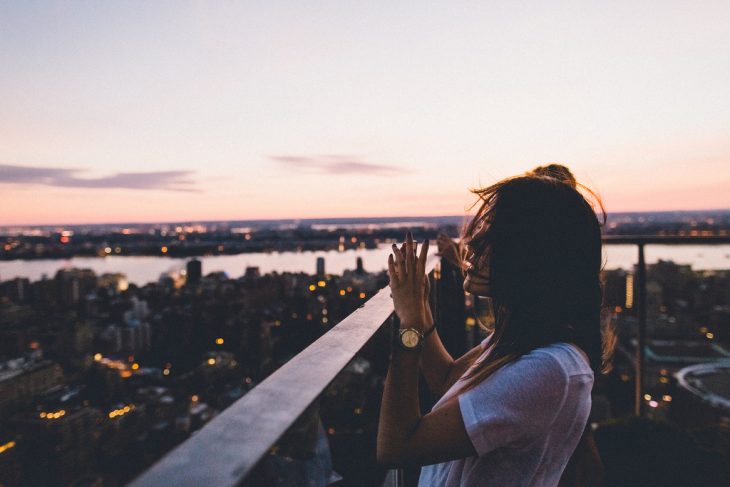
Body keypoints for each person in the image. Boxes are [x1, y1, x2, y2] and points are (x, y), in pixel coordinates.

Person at [377, 164, 613, 486]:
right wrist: (418, 309)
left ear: (532, 256)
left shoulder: (550, 369)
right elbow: (447, 379)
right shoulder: (525, 339)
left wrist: (409, 327)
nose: (471, 243)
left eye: (492, 236)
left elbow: (397, 447)